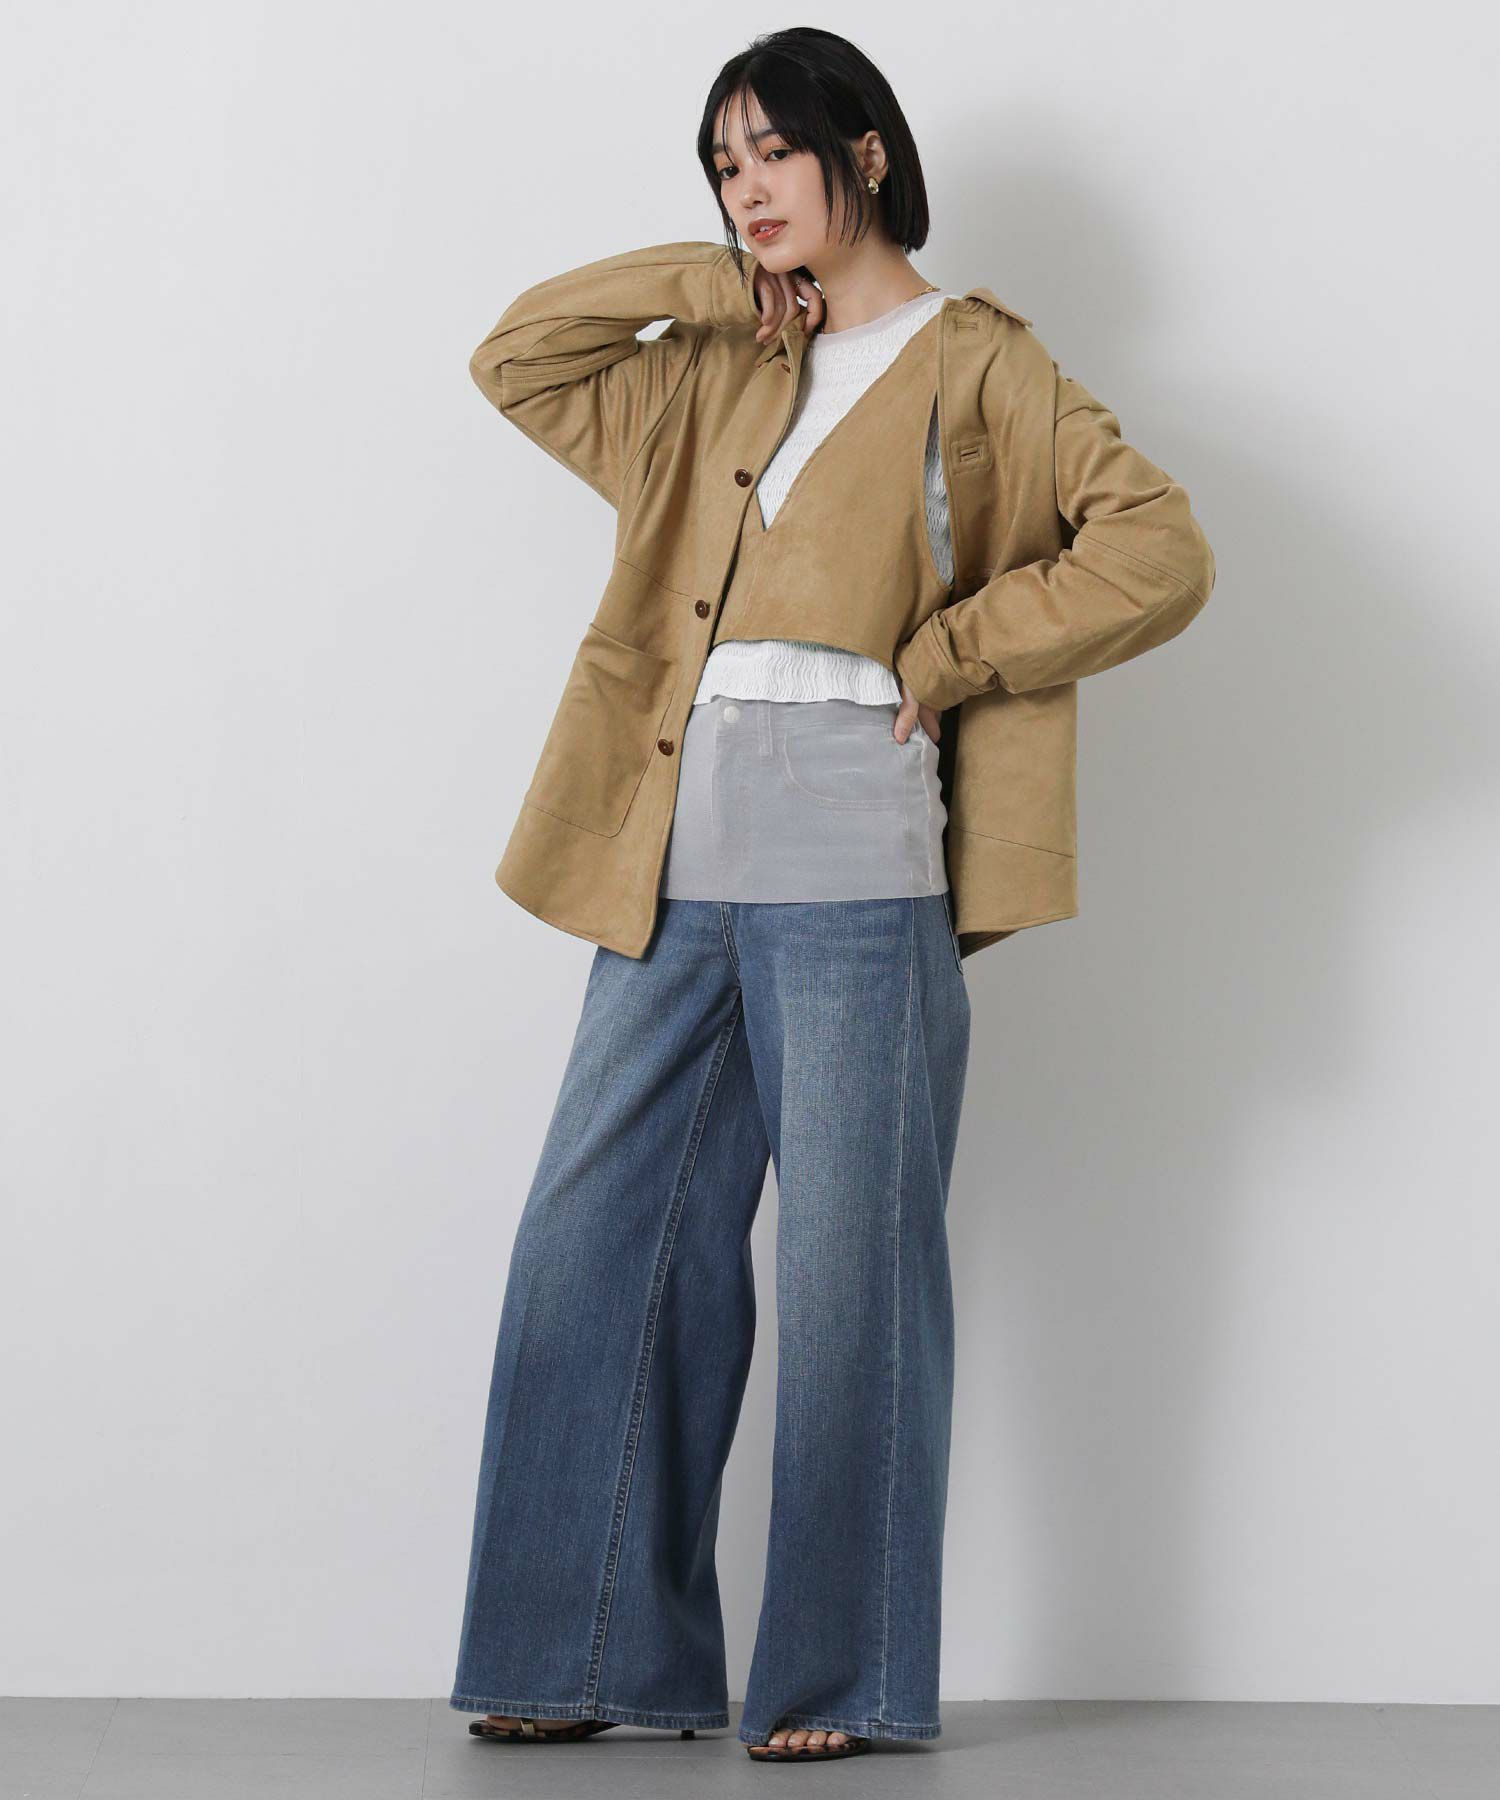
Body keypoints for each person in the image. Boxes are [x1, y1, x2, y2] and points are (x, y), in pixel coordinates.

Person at [449, 26, 1214, 1767]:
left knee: (854, 1269)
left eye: (774, 153)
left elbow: (1158, 546)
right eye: (724, 165)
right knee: (598, 1243)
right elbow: (519, 355)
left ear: (864, 153)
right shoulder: (712, 366)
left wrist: (952, 649)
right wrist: (713, 282)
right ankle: (583, 1650)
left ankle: (842, 1677)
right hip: (670, 839)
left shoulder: (984, 362)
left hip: (857, 843)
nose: (749, 187)